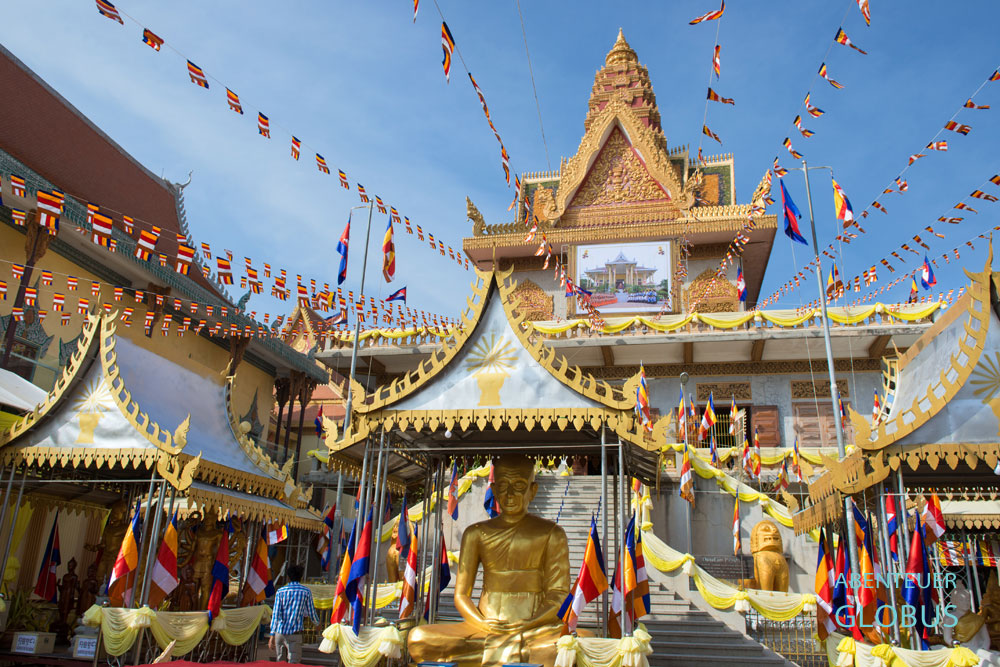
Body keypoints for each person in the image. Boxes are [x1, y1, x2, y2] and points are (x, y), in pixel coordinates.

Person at [407, 454, 570, 666]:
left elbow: (559, 595)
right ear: (493, 490)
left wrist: (529, 623)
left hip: (535, 627)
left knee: (572, 644)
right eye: (502, 485)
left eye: (519, 485)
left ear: (533, 490)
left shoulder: (551, 533)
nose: (510, 494)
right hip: (484, 623)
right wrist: (483, 623)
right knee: (419, 638)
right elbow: (461, 595)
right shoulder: (476, 534)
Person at [269, 564, 319, 663]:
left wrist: (272, 635)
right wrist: (317, 623)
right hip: (295, 633)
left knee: (280, 662)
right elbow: (311, 612)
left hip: (280, 632)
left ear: (288, 577)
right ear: (301, 577)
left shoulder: (280, 591)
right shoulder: (306, 591)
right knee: (294, 662)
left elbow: (275, 615)